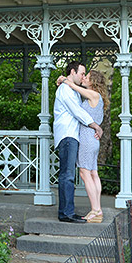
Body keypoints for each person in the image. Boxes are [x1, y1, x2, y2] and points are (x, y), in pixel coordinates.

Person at [52, 61, 103, 224]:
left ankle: (75, 211)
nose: (83, 77)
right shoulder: (66, 89)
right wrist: (95, 125)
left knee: (72, 175)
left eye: (85, 75)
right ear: (72, 71)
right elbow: (77, 111)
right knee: (67, 175)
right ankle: (66, 213)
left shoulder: (75, 90)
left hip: (75, 136)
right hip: (68, 135)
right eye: (82, 73)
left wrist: (64, 79)